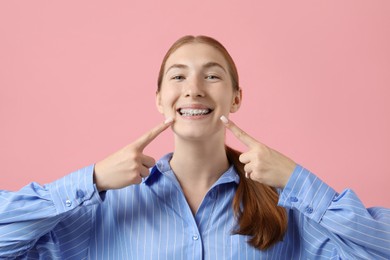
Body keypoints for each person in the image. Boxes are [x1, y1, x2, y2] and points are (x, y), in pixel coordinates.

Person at [0, 35, 389, 260]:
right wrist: (92, 179)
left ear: (236, 98)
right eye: (179, 75)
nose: (194, 89)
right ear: (159, 98)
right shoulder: (105, 207)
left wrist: (297, 181)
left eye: (213, 75)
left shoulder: (284, 209)